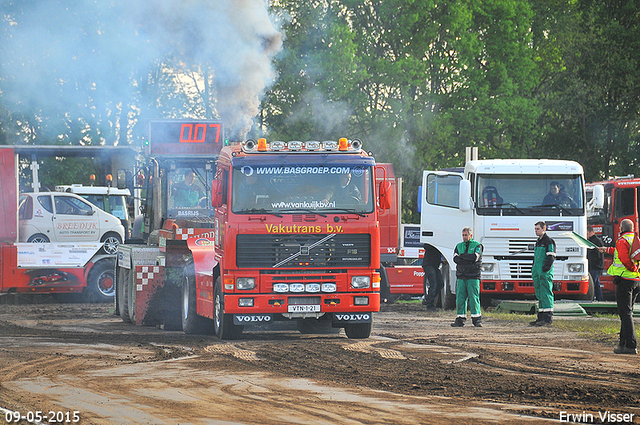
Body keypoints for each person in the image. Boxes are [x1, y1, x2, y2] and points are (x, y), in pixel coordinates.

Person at [600, 219, 640, 354]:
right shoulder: (635, 239)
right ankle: (623, 343)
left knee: (625, 313)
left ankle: (630, 345)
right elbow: (621, 252)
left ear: (621, 228)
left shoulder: (622, 240)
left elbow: (623, 257)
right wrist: (607, 249)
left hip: (625, 280)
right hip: (636, 280)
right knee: (627, 312)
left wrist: (632, 268)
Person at [451, 227, 483, 327]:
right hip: (461, 276)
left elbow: (475, 258)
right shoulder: (458, 246)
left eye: (466, 235)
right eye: (463, 235)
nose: (464, 237)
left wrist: (462, 257)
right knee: (460, 298)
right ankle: (460, 319)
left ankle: (477, 319)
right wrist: (467, 258)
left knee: (474, 298)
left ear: (471, 235)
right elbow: (455, 259)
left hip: (473, 276)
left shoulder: (478, 245)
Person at [530, 221, 556, 326]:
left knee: (546, 293)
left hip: (544, 273)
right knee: (540, 294)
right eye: (535, 229)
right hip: (537, 272)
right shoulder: (538, 242)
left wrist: (545, 269)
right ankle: (541, 316)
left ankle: (547, 317)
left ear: (543, 229)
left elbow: (551, 256)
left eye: (538, 229)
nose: (536, 231)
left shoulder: (549, 241)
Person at [422, 243, 444, 311]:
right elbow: (425, 246)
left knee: (440, 284)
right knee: (433, 284)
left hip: (434, 265)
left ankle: (429, 299)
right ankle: (429, 304)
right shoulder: (431, 243)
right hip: (429, 264)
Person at [587, 225, 605, 301]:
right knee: (596, 283)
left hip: (595, 266)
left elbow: (598, 256)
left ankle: (593, 298)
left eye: (587, 233)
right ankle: (600, 298)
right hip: (597, 266)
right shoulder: (596, 241)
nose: (586, 235)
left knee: (592, 283)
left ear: (591, 232)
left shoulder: (595, 242)